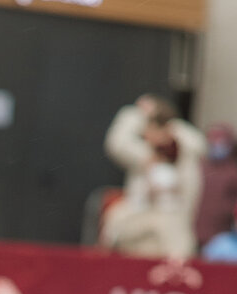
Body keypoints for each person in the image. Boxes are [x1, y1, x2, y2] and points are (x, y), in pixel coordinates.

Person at [102, 94, 205, 257]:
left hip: (169, 233)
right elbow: (117, 142)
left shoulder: (185, 157)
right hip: (138, 229)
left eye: (151, 126)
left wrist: (167, 121)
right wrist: (138, 113)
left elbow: (199, 144)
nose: (146, 133)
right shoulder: (143, 154)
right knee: (115, 218)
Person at [195, 122, 237, 256]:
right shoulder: (199, 168)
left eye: (221, 141)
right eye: (213, 140)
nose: (217, 144)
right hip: (194, 233)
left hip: (222, 236)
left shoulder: (233, 172)